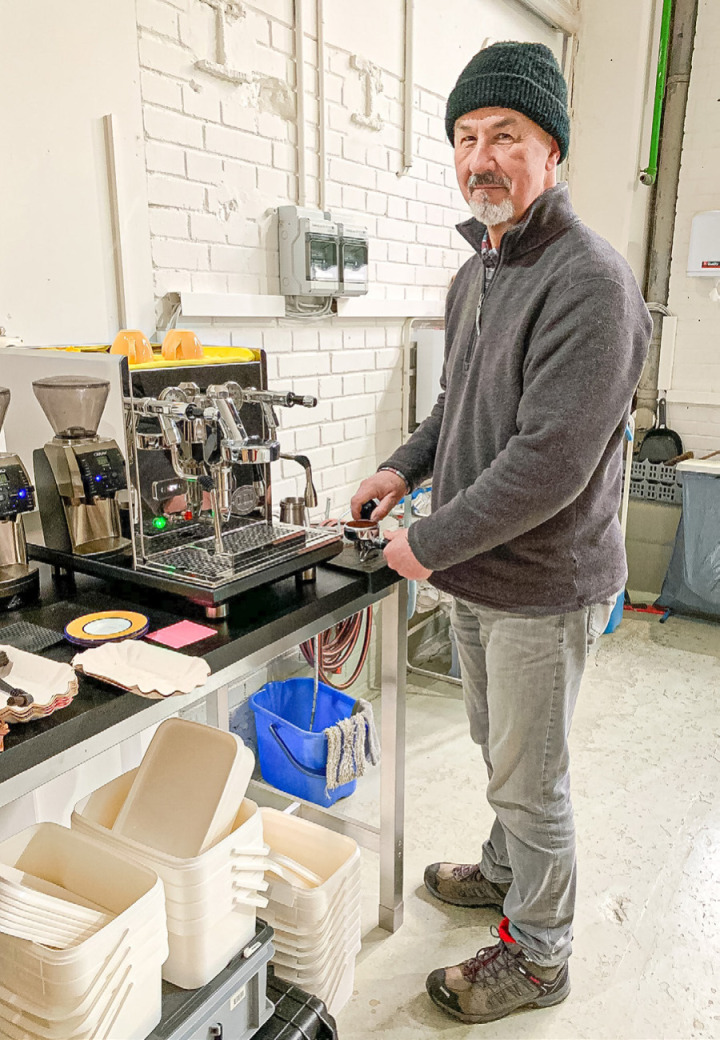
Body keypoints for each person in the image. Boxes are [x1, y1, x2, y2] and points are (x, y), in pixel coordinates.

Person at [351, 41, 652, 1025]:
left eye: (505, 136)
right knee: (498, 748)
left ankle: (543, 953)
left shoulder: (590, 281)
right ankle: (500, 868)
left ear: (552, 150)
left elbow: (547, 464)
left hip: (543, 578)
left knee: (534, 776)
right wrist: (401, 467)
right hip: (480, 574)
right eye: (466, 136)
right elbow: (457, 411)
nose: (481, 156)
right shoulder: (478, 270)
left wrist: (424, 542)